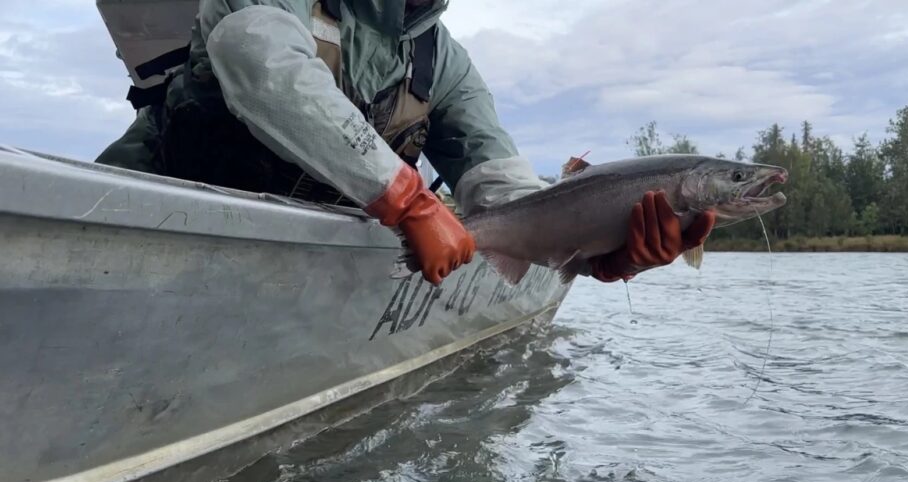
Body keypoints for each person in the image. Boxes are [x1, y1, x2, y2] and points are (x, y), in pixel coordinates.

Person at [97, 0, 714, 286]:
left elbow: (505, 191)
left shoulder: (446, 65)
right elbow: (254, 54)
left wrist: (599, 253)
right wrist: (411, 203)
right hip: (127, 221)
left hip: (293, 265)